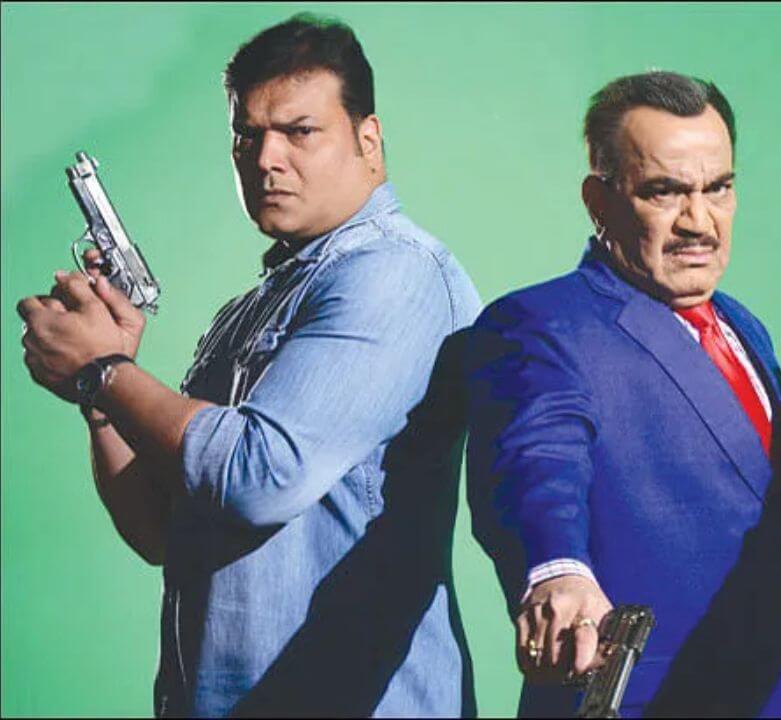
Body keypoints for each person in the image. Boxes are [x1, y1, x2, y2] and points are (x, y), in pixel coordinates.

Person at [17, 14, 480, 717]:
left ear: (368, 140)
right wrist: (102, 399)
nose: (266, 159)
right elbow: (159, 531)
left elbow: (258, 478)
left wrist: (104, 369)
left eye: (300, 131)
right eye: (247, 135)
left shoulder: (396, 273)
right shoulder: (251, 308)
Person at [465, 70, 781, 717]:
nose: (699, 221)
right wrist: (556, 569)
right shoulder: (538, 326)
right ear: (598, 200)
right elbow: (536, 459)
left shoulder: (743, 326)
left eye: (718, 188)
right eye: (664, 192)